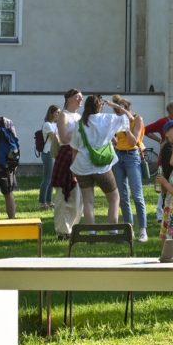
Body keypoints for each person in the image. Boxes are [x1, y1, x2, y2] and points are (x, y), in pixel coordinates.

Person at [71, 94, 141, 225]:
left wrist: (73, 169)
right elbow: (130, 118)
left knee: (88, 201)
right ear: (100, 106)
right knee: (114, 198)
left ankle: (91, 232)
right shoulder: (108, 118)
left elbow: (74, 149)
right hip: (102, 166)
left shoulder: (79, 123)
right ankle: (113, 229)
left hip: (82, 166)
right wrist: (116, 106)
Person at [109, 96, 149, 241]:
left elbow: (133, 142)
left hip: (132, 156)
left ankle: (143, 230)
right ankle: (129, 229)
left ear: (126, 109)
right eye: (115, 111)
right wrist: (112, 137)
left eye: (119, 110)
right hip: (119, 156)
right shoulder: (118, 119)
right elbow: (116, 140)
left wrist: (126, 127)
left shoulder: (137, 119)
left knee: (137, 195)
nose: (117, 113)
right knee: (123, 196)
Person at [51, 88, 83, 238]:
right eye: (78, 97)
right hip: (67, 154)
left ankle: (73, 228)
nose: (80, 99)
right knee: (64, 195)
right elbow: (63, 138)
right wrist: (80, 133)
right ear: (69, 99)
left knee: (78, 195)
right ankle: (62, 230)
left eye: (81, 97)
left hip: (79, 155)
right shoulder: (64, 115)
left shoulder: (79, 116)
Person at [37, 105, 60, 209]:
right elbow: (55, 138)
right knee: (47, 178)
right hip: (48, 153)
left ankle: (49, 201)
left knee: (52, 178)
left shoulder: (55, 125)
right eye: (57, 112)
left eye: (59, 112)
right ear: (51, 113)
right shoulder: (47, 124)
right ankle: (42, 202)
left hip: (54, 153)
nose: (59, 114)